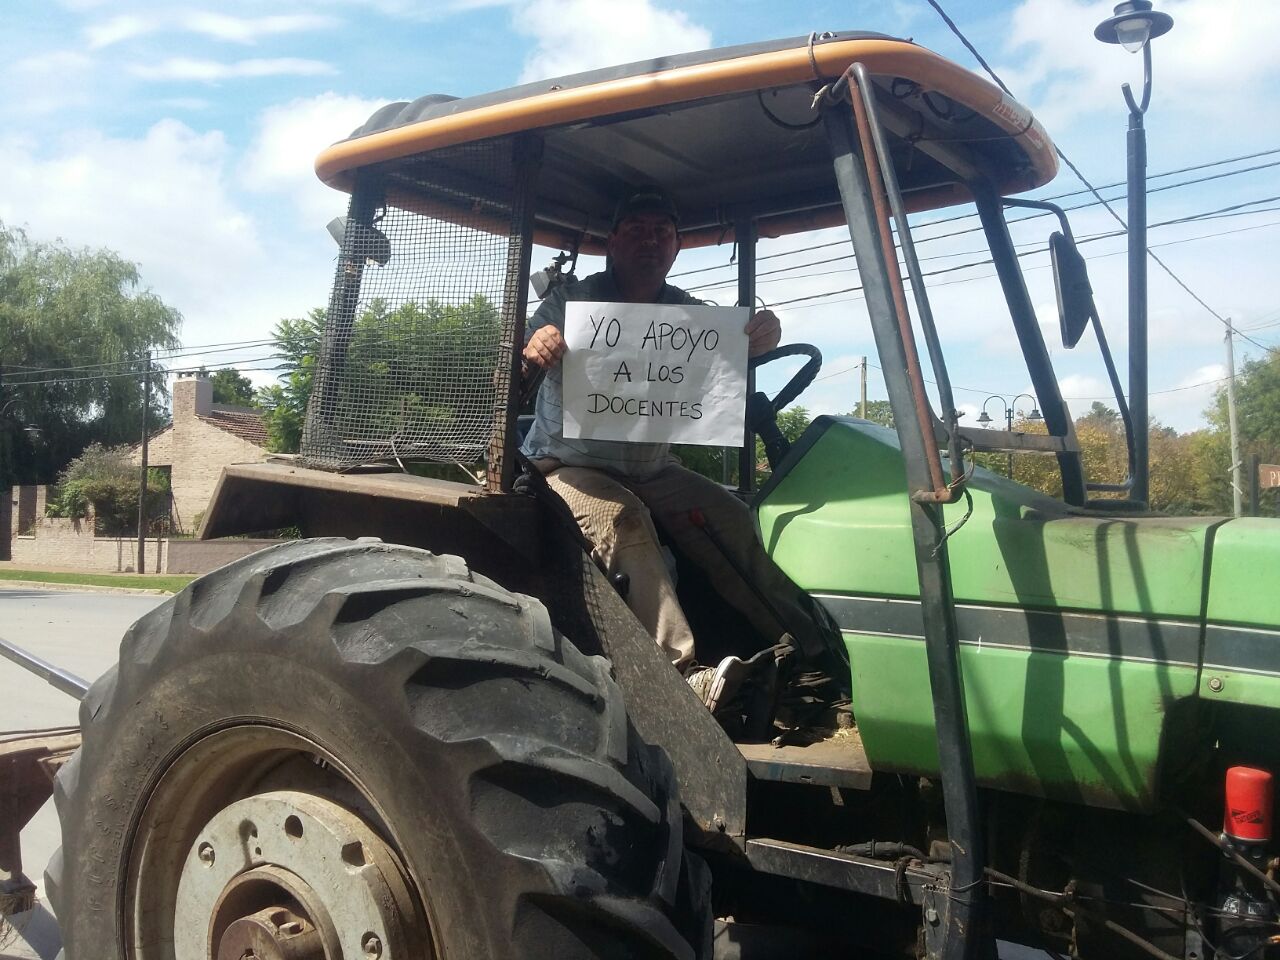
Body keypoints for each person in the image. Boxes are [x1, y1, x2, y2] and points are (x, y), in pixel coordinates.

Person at [520, 185, 838, 711]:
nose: (650, 242)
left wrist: (761, 336)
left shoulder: (688, 317)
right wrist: (541, 343)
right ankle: (682, 676)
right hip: (568, 465)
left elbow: (724, 359)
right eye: (638, 231)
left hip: (651, 466)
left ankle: (814, 649)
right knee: (623, 518)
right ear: (614, 242)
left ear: (676, 247)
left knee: (736, 519)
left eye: (662, 233)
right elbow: (531, 343)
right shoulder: (573, 301)